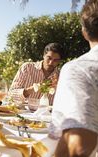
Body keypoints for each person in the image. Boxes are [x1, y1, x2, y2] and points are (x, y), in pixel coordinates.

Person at [49, 0, 98, 156]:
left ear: (84, 32)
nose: (52, 63)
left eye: (56, 60)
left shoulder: (80, 68)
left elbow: (77, 149)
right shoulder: (27, 68)